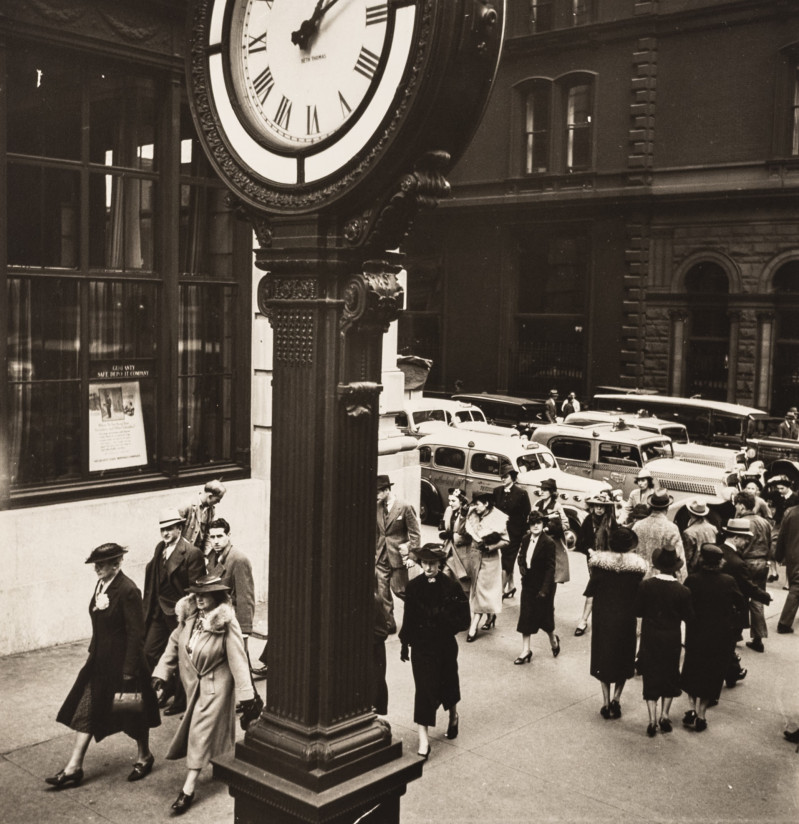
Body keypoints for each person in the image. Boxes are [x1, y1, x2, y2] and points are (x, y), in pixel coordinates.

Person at [47, 543, 160, 789]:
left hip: (124, 668)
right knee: (87, 707)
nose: (97, 568)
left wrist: (129, 672)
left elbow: (136, 634)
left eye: (102, 564)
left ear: (116, 564)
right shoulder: (102, 584)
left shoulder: (128, 590)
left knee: (131, 712)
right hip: (99, 663)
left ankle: (144, 756)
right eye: (95, 564)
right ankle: (74, 767)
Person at [152, 574, 259, 814]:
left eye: (205, 594)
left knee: (199, 732)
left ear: (217, 595)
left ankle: (188, 789)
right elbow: (173, 644)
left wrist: (247, 696)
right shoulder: (189, 618)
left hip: (215, 686)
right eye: (197, 594)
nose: (199, 598)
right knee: (208, 730)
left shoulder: (226, 622)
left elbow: (238, 659)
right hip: (193, 685)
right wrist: (161, 673)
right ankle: (220, 762)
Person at [399, 544, 470, 759]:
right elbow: (408, 617)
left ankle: (453, 716)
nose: (428, 567)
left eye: (432, 563)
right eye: (424, 563)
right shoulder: (413, 587)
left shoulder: (451, 586)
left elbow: (464, 619)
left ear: (440, 563)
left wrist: (445, 623)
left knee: (447, 683)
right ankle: (423, 740)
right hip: (421, 648)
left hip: (444, 646)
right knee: (424, 689)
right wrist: (404, 642)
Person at [143, 509, 205, 717]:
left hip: (178, 613)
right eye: (163, 529)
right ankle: (167, 687)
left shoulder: (191, 552)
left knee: (181, 657)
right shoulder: (160, 548)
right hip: (158, 612)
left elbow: (196, 587)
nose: (166, 533)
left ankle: (181, 699)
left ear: (179, 528)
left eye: (170, 528)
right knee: (149, 651)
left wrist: (188, 613)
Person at [680, 544, 747, 732]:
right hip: (720, 634)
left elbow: (685, 605)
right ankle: (702, 714)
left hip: (696, 631)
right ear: (720, 562)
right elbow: (741, 604)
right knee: (712, 672)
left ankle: (691, 709)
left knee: (693, 668)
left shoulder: (692, 580)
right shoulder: (729, 581)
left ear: (701, 559)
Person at [584, 527, 648, 720]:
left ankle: (605, 702)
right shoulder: (638, 568)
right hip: (626, 618)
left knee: (604, 658)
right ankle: (617, 700)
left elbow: (590, 592)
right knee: (623, 658)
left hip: (604, 617)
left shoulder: (599, 564)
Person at [634, 546, 693, 737]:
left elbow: (638, 611)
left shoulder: (645, 585)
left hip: (650, 636)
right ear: (675, 568)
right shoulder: (683, 591)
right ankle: (665, 715)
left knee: (650, 674)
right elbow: (689, 616)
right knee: (669, 674)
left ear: (658, 566)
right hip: (671, 637)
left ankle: (651, 719)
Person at [375, 474, 421, 635]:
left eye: (378, 492)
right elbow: (377, 533)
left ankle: (419, 617)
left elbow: (415, 534)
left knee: (400, 590)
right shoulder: (377, 506)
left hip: (398, 557)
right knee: (382, 593)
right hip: (380, 557)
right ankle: (389, 624)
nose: (376, 496)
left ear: (387, 490)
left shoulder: (405, 506)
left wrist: (413, 557)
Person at [514, 511, 559, 664]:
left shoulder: (548, 542)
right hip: (528, 583)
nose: (535, 526)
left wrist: (545, 590)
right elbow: (521, 555)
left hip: (544, 585)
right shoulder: (526, 539)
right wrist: (521, 566)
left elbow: (550, 568)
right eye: (532, 523)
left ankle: (553, 639)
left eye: (538, 523)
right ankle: (526, 650)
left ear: (543, 524)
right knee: (526, 616)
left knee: (545, 619)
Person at [731, 496, 772, 653]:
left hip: (746, 562)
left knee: (739, 597)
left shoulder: (742, 522)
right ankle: (758, 638)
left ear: (741, 506)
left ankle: (736, 634)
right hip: (762, 563)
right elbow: (770, 543)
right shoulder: (764, 522)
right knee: (757, 599)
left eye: (737, 505)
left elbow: (740, 545)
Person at [463, 492, 507, 641]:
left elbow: (506, 541)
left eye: (478, 504)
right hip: (474, 557)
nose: (475, 507)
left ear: (487, 503)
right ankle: (490, 616)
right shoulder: (472, 514)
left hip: (489, 560)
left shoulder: (499, 517)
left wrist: (490, 547)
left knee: (482, 592)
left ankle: (473, 626)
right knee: (477, 591)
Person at [574, 492, 617, 636]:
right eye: (596, 506)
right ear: (592, 507)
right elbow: (580, 542)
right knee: (594, 587)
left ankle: (600, 621)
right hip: (593, 560)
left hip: (608, 560)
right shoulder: (588, 520)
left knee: (605, 589)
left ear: (606, 508)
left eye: (602, 506)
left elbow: (615, 541)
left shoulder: (611, 521)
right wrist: (590, 550)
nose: (599, 509)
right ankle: (584, 620)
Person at [493, 463, 532, 599]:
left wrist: (523, 534)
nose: (503, 479)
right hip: (499, 532)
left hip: (515, 534)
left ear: (513, 477)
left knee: (507, 561)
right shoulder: (497, 491)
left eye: (506, 476)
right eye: (502, 476)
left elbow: (526, 514)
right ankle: (511, 586)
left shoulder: (521, 493)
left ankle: (500, 591)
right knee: (504, 559)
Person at [631, 489, 687, 581]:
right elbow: (679, 558)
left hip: (637, 576)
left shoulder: (637, 526)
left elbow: (630, 553)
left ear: (651, 506)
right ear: (667, 507)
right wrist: (681, 582)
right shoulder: (671, 528)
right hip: (660, 579)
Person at [439, 488, 478, 596]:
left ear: (461, 501)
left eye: (453, 501)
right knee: (444, 581)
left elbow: (472, 536)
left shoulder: (470, 513)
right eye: (449, 500)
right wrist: (444, 533)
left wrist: (454, 536)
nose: (450, 504)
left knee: (464, 588)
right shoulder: (448, 510)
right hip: (449, 552)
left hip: (463, 555)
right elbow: (444, 527)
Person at [535, 478, 571, 587]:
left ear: (552, 492)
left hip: (552, 544)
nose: (542, 492)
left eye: (545, 490)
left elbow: (566, 524)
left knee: (551, 573)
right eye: (541, 489)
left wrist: (553, 528)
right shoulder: (537, 504)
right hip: (537, 542)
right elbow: (530, 520)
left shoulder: (557, 506)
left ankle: (549, 601)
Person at [179, 479, 227, 553]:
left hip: (198, 554)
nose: (218, 502)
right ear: (210, 496)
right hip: (184, 553)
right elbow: (175, 533)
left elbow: (208, 533)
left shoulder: (211, 510)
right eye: (217, 499)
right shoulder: (186, 506)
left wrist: (206, 554)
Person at [775, 498, 799, 634]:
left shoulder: (790, 512)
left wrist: (778, 555)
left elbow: (782, 536)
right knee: (796, 587)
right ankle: (784, 623)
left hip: (792, 556)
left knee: (795, 584)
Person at [681, 498, 718, 573]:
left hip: (695, 569)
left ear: (689, 512)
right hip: (711, 567)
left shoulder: (688, 533)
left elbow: (687, 557)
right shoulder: (713, 528)